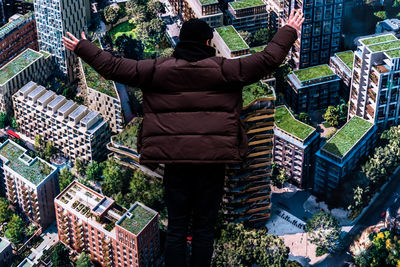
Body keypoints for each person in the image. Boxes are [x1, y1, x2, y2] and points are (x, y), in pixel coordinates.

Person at [63, 9, 304, 267]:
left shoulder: (157, 69)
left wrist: (83, 48)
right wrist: (289, 30)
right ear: (208, 43)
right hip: (212, 162)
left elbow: (113, 68)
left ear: (182, 43)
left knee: (177, 226)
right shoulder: (226, 70)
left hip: (175, 161)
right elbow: (268, 59)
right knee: (204, 227)